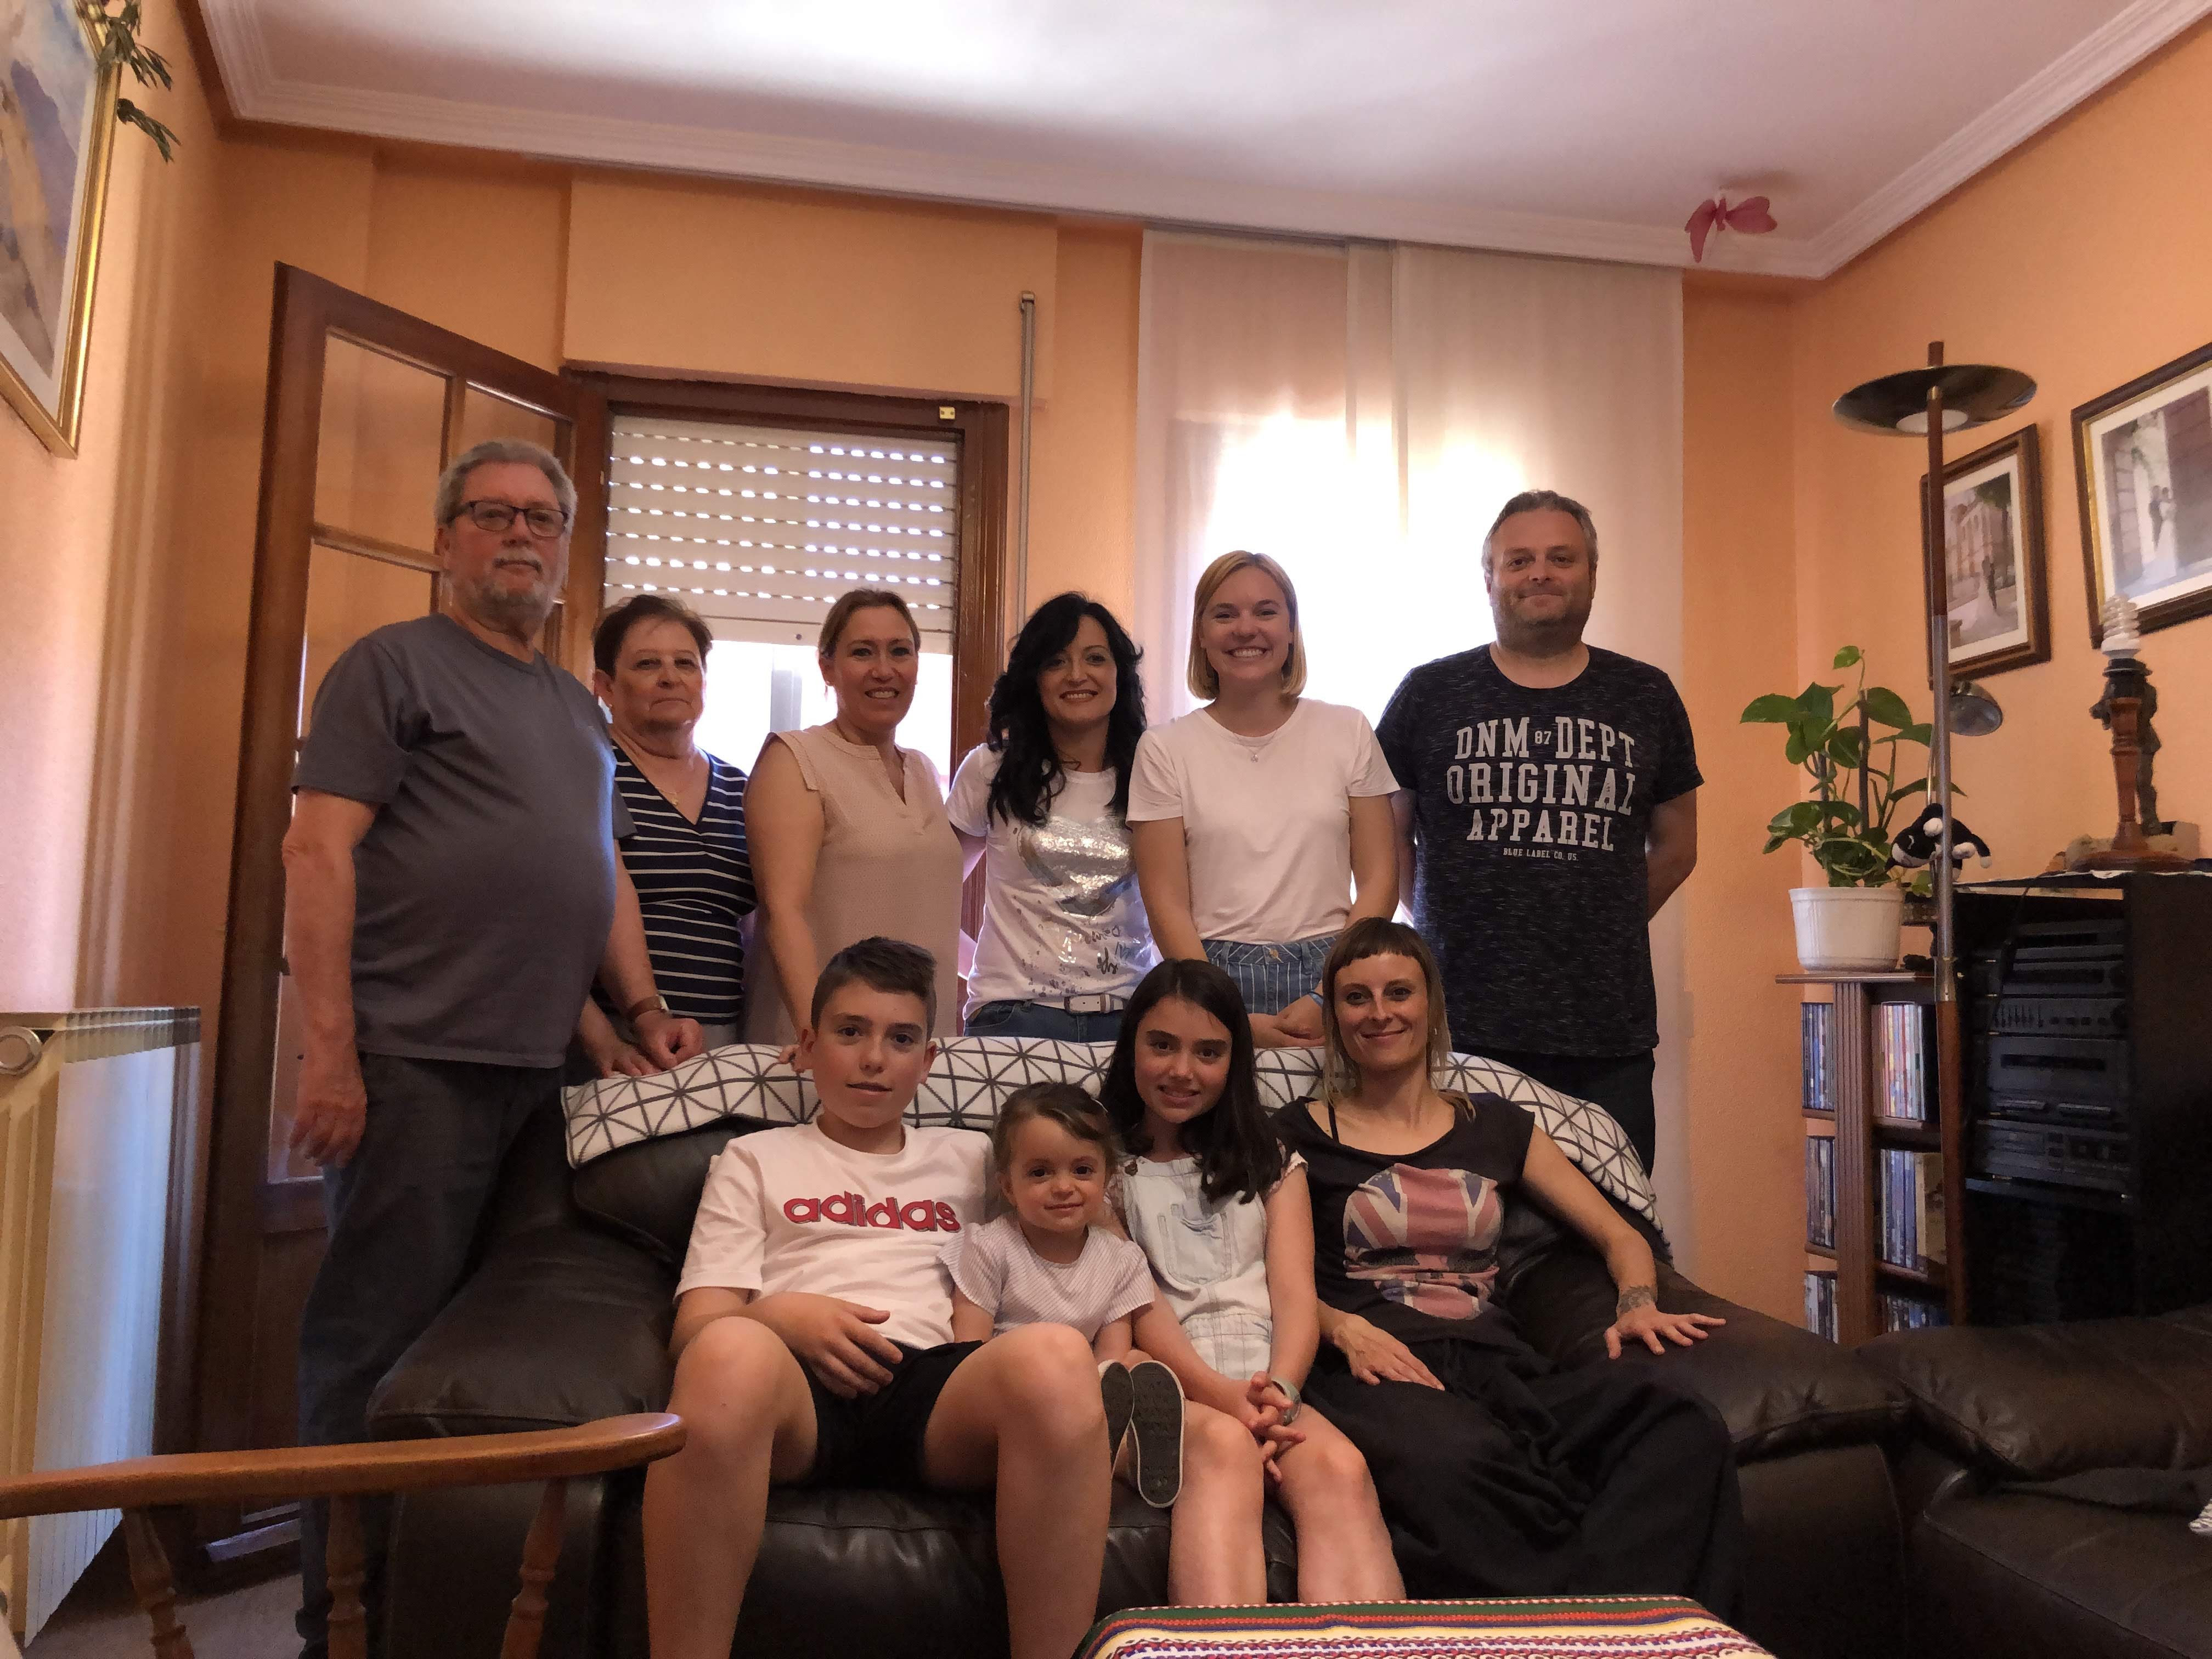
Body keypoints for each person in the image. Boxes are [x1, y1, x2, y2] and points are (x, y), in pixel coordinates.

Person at [283, 438, 702, 1657]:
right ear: (444, 540)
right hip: (418, 1063)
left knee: (495, 1364)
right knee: (371, 1347)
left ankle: (448, 1616)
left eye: (540, 518)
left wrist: (634, 1011)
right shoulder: (393, 666)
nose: (519, 534)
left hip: (546, 1080)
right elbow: (317, 849)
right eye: (491, 514)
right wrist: (329, 1051)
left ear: (563, 549)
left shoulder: (574, 706)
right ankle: (336, 1626)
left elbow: (592, 872)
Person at [644, 938, 1109, 1659]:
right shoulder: (755, 1158)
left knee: (1057, 1354)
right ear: (808, 1046)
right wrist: (780, 1317)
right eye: (850, 1032)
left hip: (933, 1389)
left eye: (900, 1039)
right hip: (793, 1391)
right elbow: (695, 1327)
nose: (873, 1059)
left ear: (928, 1061)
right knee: (726, 1350)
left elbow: (1086, 1208)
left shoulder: (973, 1159)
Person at [1276, 918, 1741, 1608]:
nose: (1379, 1013)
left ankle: (1602, 1630)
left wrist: (1637, 1303)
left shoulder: (1497, 1125)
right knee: (1458, 1461)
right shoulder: (1294, 1133)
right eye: (1356, 997)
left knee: (1681, 1426)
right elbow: (1257, 1274)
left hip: (1500, 1365)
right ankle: (1588, 1624)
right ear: (1334, 1017)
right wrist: (1341, 1328)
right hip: (1375, 1371)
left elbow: (1620, 1237)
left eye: (1398, 992)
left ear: (1431, 1004)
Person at [1378, 492, 1700, 1170]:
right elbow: (1385, 840)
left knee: (1613, 1214)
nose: (1540, 573)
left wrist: (1607, 919)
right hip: (1457, 1026)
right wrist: (1437, 918)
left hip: (1605, 1034)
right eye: (1519, 559)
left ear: (1592, 574)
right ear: (1489, 577)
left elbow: (1677, 847)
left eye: (1561, 558)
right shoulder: (1429, 693)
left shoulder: (1646, 695)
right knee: (1457, 1219)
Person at [1101, 959, 1404, 1606]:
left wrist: (1281, 1396)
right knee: (1226, 1455)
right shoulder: (1101, 1167)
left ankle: (1361, 1650)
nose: (1183, 1070)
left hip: (1267, 1383)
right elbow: (1141, 1303)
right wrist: (1225, 1402)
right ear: (1131, 1047)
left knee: (1340, 1468)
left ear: (1235, 1061)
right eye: (1162, 1046)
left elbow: (1294, 1296)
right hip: (1171, 1385)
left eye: (1208, 1052)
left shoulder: (1272, 1163)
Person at [1129, 552, 1397, 1048]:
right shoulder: (1164, 748)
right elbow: (1166, 904)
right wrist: (1222, 1010)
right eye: (1224, 614)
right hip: (1210, 974)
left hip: (1338, 969)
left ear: (1291, 630)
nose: (1245, 629)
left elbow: (1381, 880)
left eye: (1266, 612)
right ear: (1201, 635)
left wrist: (1329, 993)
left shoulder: (1349, 730)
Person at [944, 1082, 1187, 1507]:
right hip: (1009, 1397)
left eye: (1082, 1170)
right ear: (1008, 1187)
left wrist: (1097, 1391)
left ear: (1107, 1179)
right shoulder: (988, 1248)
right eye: (1040, 1173)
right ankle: (1113, 1455)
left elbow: (1111, 1359)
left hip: (1083, 1395)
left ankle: (1122, 1450)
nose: (1063, 1187)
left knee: (1134, 1361)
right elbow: (968, 1352)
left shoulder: (1122, 1259)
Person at [744, 589, 963, 1042]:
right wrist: (817, 1038)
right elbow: (784, 913)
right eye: (863, 652)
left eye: (900, 651)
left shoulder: (923, 770)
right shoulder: (795, 759)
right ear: (828, 668)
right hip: (828, 1048)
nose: (884, 670)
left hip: (914, 1046)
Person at [949, 593, 1154, 1041]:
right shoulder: (990, 769)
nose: (1077, 675)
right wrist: (988, 972)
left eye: (1095, 658)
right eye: (1056, 662)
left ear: (1119, 673)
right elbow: (933, 896)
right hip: (1012, 1018)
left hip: (1131, 1019)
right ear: (1034, 678)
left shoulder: (1155, 771)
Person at [580, 594, 757, 1071]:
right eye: (647, 664)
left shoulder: (741, 788)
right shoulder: (587, 770)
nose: (670, 677)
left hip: (723, 1041)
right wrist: (601, 1037)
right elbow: (546, 923)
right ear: (605, 686)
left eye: (685, 663)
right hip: (617, 1040)